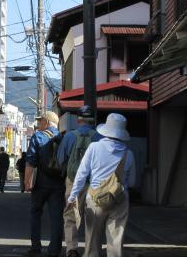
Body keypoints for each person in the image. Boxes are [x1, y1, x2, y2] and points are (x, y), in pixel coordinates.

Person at [67, 113, 136, 257]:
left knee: (92, 242)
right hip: (119, 199)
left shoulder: (94, 147)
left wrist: (73, 196)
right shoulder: (128, 154)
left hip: (95, 199)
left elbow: (81, 174)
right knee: (115, 244)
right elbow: (133, 182)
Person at [57, 106, 101, 257]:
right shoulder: (99, 137)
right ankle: (90, 250)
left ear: (78, 120)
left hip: (72, 179)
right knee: (92, 216)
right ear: (93, 119)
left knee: (70, 214)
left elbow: (61, 159)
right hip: (93, 182)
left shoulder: (69, 136)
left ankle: (71, 249)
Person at [24, 111, 65, 257]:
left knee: (36, 213)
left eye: (40, 121)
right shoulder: (63, 138)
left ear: (46, 122)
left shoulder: (38, 136)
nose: (39, 124)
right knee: (57, 217)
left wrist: (27, 183)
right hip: (59, 184)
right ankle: (55, 250)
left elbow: (30, 161)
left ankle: (35, 247)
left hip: (40, 183)